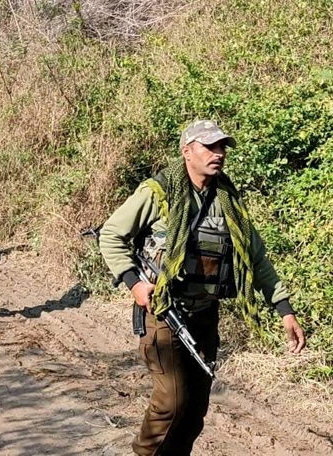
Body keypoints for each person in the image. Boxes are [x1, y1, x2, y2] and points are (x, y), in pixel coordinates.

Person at [98, 120, 306, 455]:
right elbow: (111, 235)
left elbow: (257, 259)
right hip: (164, 312)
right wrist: (134, 283)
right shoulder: (159, 193)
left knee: (194, 411)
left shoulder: (228, 201)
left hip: (205, 316)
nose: (219, 154)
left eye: (222, 147)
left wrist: (285, 310)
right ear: (187, 151)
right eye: (210, 147)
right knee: (171, 403)